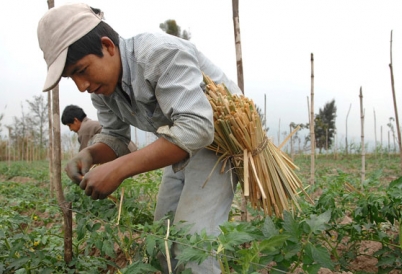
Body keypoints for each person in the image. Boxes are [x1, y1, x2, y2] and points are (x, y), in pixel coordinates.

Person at [37, 3, 241, 273]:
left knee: (193, 248)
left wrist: (119, 170)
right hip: (178, 148)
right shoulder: (103, 91)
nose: (82, 86)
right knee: (162, 240)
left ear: (108, 46)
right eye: (71, 77)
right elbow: (115, 137)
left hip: (219, 146)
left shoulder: (158, 54)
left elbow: (197, 127)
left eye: (81, 70)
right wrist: (90, 154)